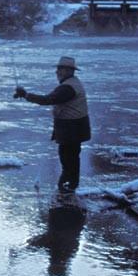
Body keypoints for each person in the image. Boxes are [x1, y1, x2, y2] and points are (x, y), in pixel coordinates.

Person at [13, 55, 91, 192]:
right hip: (75, 128)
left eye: (60, 69)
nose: (57, 72)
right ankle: (70, 183)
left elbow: (47, 100)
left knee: (68, 156)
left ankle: (68, 184)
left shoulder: (67, 88)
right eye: (58, 69)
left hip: (72, 129)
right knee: (71, 155)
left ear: (68, 71)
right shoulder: (72, 83)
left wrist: (26, 95)